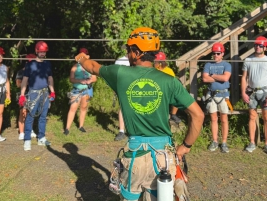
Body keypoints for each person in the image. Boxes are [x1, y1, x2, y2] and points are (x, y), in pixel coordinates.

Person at [75, 27, 204, 201]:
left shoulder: (120, 73)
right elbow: (198, 115)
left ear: (137, 52)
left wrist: (82, 59)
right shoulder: (169, 81)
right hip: (163, 157)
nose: (128, 54)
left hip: (135, 154)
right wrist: (186, 146)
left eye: (129, 50)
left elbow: (93, 67)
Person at [241, 36, 267, 155]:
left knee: (266, 117)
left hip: (265, 92)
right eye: (256, 45)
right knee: (251, 117)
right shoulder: (248, 60)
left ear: (265, 47)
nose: (257, 47)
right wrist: (243, 93)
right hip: (251, 92)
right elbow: (244, 78)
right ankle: (252, 143)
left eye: (260, 45)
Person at [19, 41, 55, 151]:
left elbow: (50, 78)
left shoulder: (47, 64)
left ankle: (41, 138)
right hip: (33, 93)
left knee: (43, 116)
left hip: (45, 92)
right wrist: (22, 95)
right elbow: (25, 80)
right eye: (40, 51)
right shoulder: (30, 65)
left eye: (44, 52)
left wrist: (52, 91)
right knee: (30, 116)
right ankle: (27, 140)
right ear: (36, 51)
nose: (42, 53)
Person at [202, 43, 232, 153]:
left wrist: (213, 76)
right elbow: (204, 79)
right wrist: (218, 78)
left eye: (218, 53)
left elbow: (225, 78)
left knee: (224, 119)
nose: (216, 55)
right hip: (211, 95)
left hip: (223, 96)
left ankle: (223, 143)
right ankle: (215, 141)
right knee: (213, 119)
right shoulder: (208, 65)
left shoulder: (227, 65)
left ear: (222, 53)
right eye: (214, 53)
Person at [63, 48, 97, 135]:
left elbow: (94, 78)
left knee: (84, 107)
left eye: (84, 55)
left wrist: (90, 81)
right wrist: (80, 81)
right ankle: (67, 128)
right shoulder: (75, 67)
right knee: (73, 108)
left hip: (87, 90)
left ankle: (81, 126)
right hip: (76, 90)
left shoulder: (90, 66)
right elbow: (71, 79)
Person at [154, 51, 181, 124]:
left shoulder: (168, 70)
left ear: (160, 62)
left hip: (167, 91)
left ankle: (173, 114)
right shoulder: (153, 70)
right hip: (156, 91)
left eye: (155, 62)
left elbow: (173, 82)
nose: (154, 63)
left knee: (177, 96)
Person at [16, 54, 38, 140]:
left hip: (33, 93)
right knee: (23, 112)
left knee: (31, 112)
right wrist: (26, 83)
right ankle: (21, 132)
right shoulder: (21, 72)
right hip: (23, 94)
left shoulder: (37, 71)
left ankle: (30, 129)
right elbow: (18, 84)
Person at [113, 55, 130, 141]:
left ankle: (134, 130)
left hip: (137, 87)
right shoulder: (120, 61)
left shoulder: (138, 61)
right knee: (122, 108)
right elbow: (114, 75)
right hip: (123, 87)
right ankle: (121, 131)